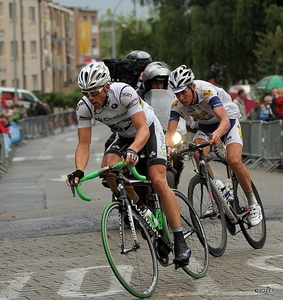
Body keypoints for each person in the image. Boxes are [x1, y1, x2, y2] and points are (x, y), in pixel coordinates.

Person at [66, 61, 191, 266]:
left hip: (149, 131)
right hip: (123, 136)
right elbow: (83, 143)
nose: (90, 97)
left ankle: (179, 240)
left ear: (107, 87)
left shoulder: (124, 92)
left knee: (158, 180)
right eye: (85, 92)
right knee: (108, 171)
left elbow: (142, 129)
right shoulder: (84, 106)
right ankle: (142, 209)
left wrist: (134, 150)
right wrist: (79, 170)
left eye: (94, 92)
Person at [165, 65, 262, 226]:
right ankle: (216, 188)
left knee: (234, 160)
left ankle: (253, 204)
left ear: (193, 86)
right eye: (177, 93)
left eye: (184, 92)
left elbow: (223, 120)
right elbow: (170, 132)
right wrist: (168, 148)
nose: (181, 97)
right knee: (197, 153)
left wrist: (217, 134)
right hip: (206, 127)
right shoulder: (177, 105)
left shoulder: (207, 92)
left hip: (228, 122)